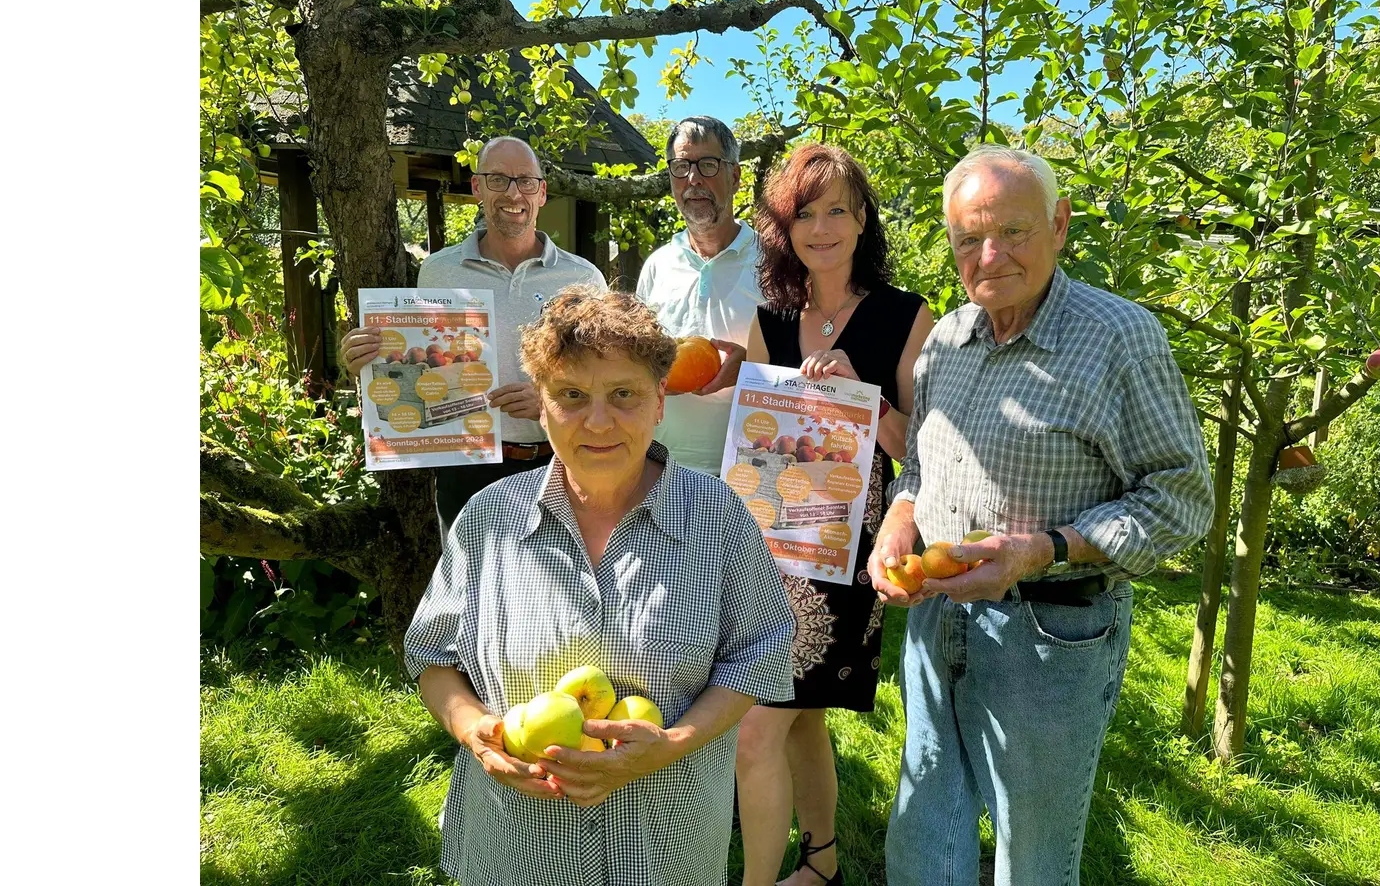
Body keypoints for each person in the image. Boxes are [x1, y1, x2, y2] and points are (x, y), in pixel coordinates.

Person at [867, 145, 1214, 886]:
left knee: (1034, 854)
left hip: (1051, 632)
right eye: (969, 238)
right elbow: (924, 466)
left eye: (1013, 232)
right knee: (924, 835)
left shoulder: (1119, 338)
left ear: (1059, 225)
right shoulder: (945, 346)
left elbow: (1182, 497)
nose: (989, 255)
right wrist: (900, 516)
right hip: (938, 619)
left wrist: (1045, 549)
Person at [404, 287, 796, 886]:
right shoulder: (489, 519)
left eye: (623, 395)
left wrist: (672, 742)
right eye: (571, 395)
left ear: (660, 400)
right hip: (518, 848)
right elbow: (433, 656)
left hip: (665, 848)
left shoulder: (717, 518)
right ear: (541, 405)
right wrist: (470, 729)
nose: (598, 421)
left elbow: (762, 655)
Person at [736, 144, 935, 886]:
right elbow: (752, 441)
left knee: (755, 729)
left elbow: (929, 446)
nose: (821, 227)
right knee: (802, 715)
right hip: (771, 542)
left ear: (862, 222)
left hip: (850, 546)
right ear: (784, 229)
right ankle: (821, 862)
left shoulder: (905, 316)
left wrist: (867, 400)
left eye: (837, 211)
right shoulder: (771, 321)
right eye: (804, 213)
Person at [338, 136, 607, 538]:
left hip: (558, 462)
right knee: (471, 593)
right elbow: (424, 355)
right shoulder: (438, 272)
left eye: (525, 181)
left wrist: (552, 401)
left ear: (542, 192)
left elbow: (603, 373)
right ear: (477, 187)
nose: (513, 193)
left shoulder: (583, 278)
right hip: (465, 466)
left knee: (551, 596)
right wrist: (368, 359)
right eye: (498, 179)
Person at [632, 116, 759, 475]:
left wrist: (750, 369)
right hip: (660, 469)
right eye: (681, 166)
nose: (693, 179)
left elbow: (803, 364)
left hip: (749, 471)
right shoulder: (658, 266)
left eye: (707, 164)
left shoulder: (774, 264)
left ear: (734, 177)